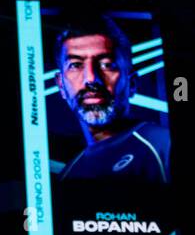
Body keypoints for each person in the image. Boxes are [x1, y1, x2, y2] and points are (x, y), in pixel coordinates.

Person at [55, 16, 170, 196]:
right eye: (76, 65)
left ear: (131, 83)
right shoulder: (68, 175)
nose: (91, 79)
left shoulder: (164, 146)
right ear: (61, 86)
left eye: (106, 64)